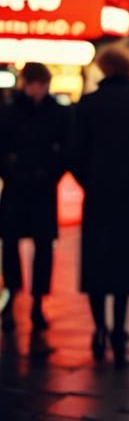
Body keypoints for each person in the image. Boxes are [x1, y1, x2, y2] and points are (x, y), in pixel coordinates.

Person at [68, 44, 129, 367]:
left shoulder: (87, 104)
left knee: (97, 264)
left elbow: (74, 153)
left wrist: (91, 181)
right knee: (124, 266)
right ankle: (119, 330)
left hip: (99, 196)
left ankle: (98, 327)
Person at [0, 62, 72, 332]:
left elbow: (66, 149)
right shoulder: (11, 110)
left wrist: (50, 173)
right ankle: (14, 293)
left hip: (36, 185)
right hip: (23, 184)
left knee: (40, 245)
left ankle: (36, 300)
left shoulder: (51, 112)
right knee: (12, 243)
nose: (38, 89)